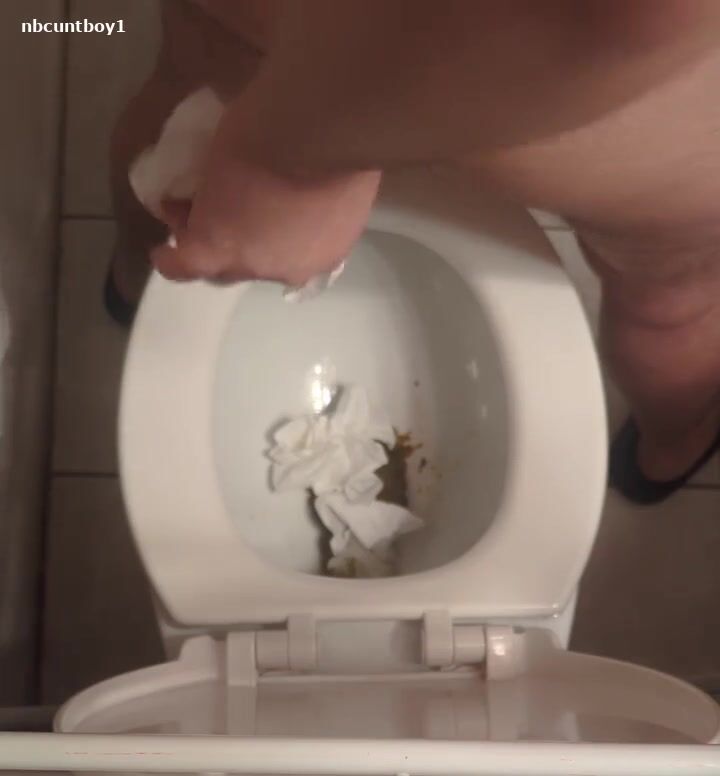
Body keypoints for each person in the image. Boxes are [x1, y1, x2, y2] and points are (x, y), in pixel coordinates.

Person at [108, 0, 720, 505]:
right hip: (606, 99)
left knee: (183, 110)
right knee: (671, 296)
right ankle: (670, 445)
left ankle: (134, 284)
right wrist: (288, 160)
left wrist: (290, 137)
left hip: (271, 18)